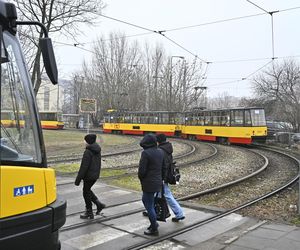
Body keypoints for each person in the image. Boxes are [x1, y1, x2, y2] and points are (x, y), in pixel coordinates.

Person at [138, 134, 165, 236]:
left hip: (148, 182)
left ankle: (154, 227)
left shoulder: (145, 153)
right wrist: (161, 179)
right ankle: (153, 224)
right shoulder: (160, 152)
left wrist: (141, 179)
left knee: (148, 204)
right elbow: (163, 167)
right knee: (150, 203)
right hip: (157, 181)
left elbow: (142, 171)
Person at [75, 134, 106, 219]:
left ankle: (89, 212)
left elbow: (84, 167)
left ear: (88, 141)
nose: (83, 142)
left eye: (85, 140)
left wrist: (78, 180)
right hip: (94, 175)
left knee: (85, 192)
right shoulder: (96, 149)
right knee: (87, 190)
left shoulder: (88, 152)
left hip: (89, 176)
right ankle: (99, 204)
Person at [156, 134, 185, 222]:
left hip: (161, 177)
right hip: (165, 176)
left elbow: (163, 166)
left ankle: (179, 213)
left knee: (166, 195)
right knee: (155, 194)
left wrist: (161, 178)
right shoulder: (167, 148)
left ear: (158, 141)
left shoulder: (161, 150)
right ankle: (150, 210)